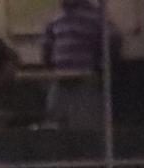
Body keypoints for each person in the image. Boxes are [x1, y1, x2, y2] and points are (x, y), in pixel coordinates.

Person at [40, 0, 118, 130]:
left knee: (86, 128)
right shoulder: (55, 19)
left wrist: (99, 68)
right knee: (55, 126)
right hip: (60, 82)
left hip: (85, 82)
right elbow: (46, 48)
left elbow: (114, 41)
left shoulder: (96, 16)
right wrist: (51, 70)